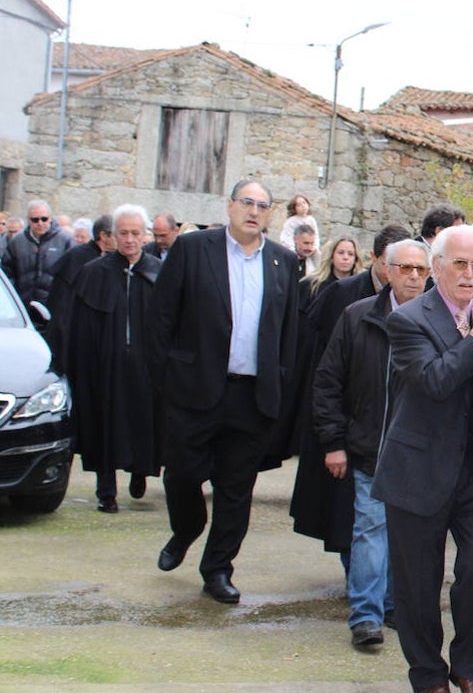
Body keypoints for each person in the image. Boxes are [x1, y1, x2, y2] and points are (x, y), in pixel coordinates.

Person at [372, 223, 473, 693]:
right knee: (418, 585)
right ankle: (427, 676)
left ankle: (468, 668)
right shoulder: (408, 319)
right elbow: (436, 381)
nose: (468, 274)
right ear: (436, 266)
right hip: (417, 471)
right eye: (459, 264)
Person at [148, 179, 299, 604]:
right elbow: (160, 319)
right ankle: (186, 528)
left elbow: (288, 332)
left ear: (271, 213)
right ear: (229, 206)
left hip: (251, 396)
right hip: (194, 390)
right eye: (246, 202)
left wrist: (280, 383)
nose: (253, 211)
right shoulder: (194, 249)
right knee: (181, 474)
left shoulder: (283, 262)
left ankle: (217, 569)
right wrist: (166, 380)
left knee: (236, 489)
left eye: (262, 205)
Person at [311, 238, 431, 650]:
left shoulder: (441, 322)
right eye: (406, 268)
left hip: (417, 453)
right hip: (369, 448)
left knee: (406, 534)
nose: (414, 277)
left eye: (421, 270)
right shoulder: (357, 317)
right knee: (369, 529)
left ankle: (394, 604)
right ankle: (366, 615)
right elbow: (328, 382)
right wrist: (334, 442)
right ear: (387, 270)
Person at [67, 205, 163, 513]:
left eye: (136, 233)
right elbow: (79, 328)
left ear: (145, 235)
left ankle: (140, 471)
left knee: (142, 421)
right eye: (123, 233)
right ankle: (105, 491)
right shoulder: (94, 273)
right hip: (106, 366)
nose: (130, 240)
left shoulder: (158, 272)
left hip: (145, 367)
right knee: (104, 425)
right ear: (112, 236)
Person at [45, 215, 115, 370]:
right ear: (104, 235)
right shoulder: (77, 256)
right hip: (70, 333)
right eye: (117, 234)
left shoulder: (109, 258)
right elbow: (62, 302)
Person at [2, 199, 73, 311]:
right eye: (35, 220)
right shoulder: (17, 241)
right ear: (28, 220)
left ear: (50, 218)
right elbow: (7, 271)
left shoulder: (65, 240)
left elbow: (72, 274)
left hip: (55, 306)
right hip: (24, 306)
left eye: (44, 219)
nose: (40, 223)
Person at [302, 235, 363, 301]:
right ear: (331, 256)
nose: (345, 257)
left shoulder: (361, 288)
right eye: (341, 253)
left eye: (350, 254)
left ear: (356, 259)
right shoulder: (312, 284)